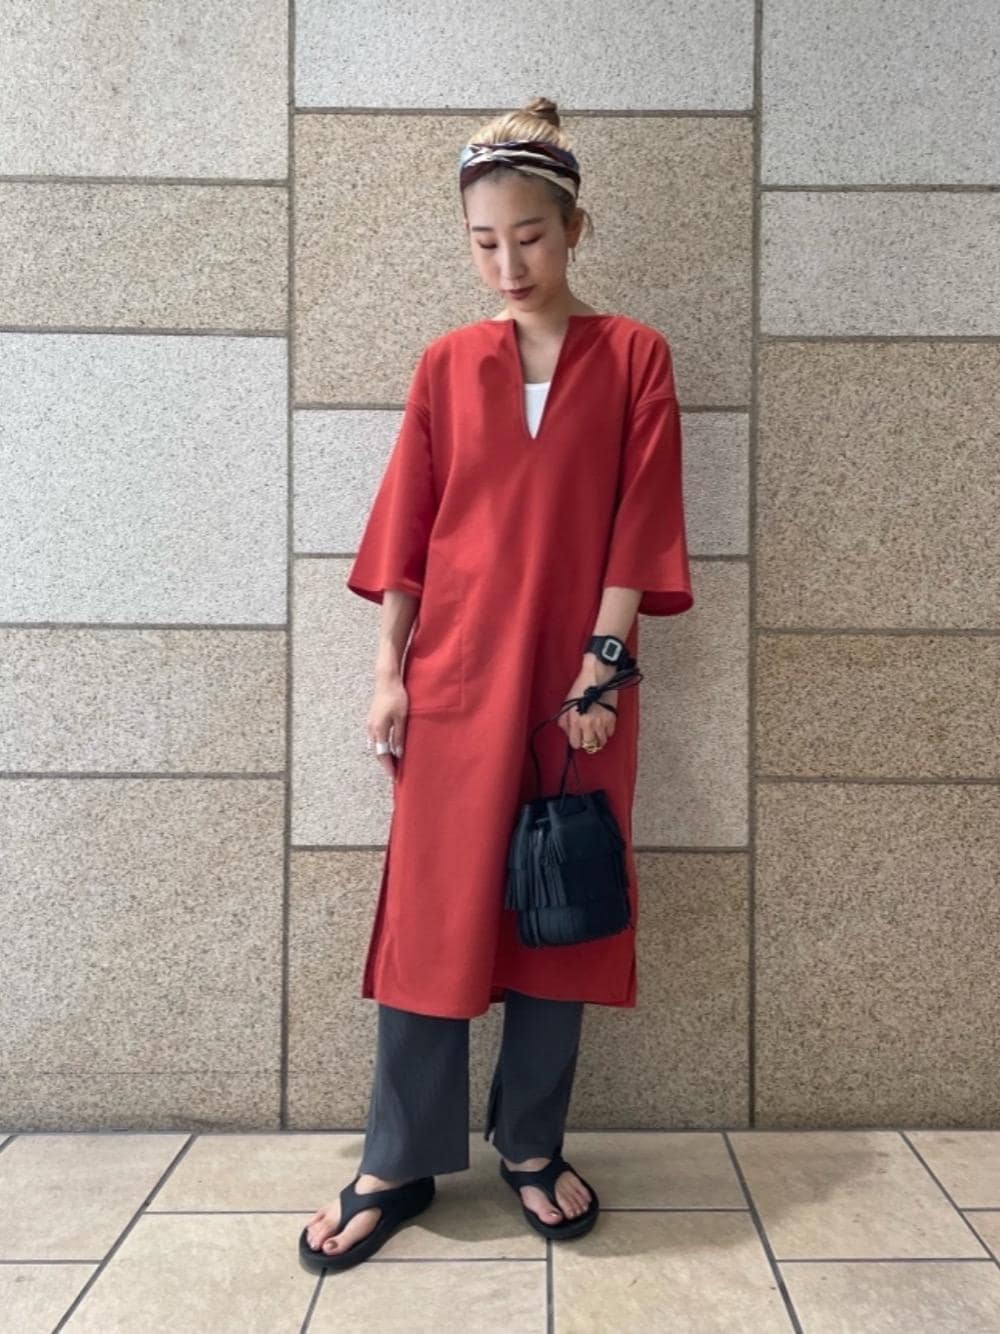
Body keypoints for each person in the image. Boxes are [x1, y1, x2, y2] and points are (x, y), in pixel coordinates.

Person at [299, 94, 694, 1274]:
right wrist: (388, 674)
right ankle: (397, 1158)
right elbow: (406, 532)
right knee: (432, 911)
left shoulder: (634, 356)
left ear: (574, 228)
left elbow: (640, 522)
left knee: (559, 902)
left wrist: (603, 666)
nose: (508, 263)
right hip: (456, 676)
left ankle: (529, 1142)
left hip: (578, 682)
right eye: (484, 242)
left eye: (528, 235)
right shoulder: (445, 364)